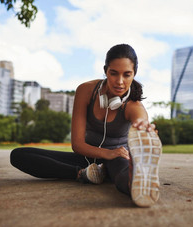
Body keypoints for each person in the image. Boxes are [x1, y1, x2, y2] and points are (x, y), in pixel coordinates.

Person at [10, 44, 162, 207]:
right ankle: (83, 174)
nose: (119, 81)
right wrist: (106, 153)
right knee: (19, 155)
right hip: (85, 157)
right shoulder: (86, 90)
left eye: (127, 75)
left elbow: (141, 119)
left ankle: (136, 179)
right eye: (113, 73)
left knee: (121, 173)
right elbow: (77, 144)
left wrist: (143, 128)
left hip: (117, 158)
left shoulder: (133, 105)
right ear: (105, 70)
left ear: (134, 74)